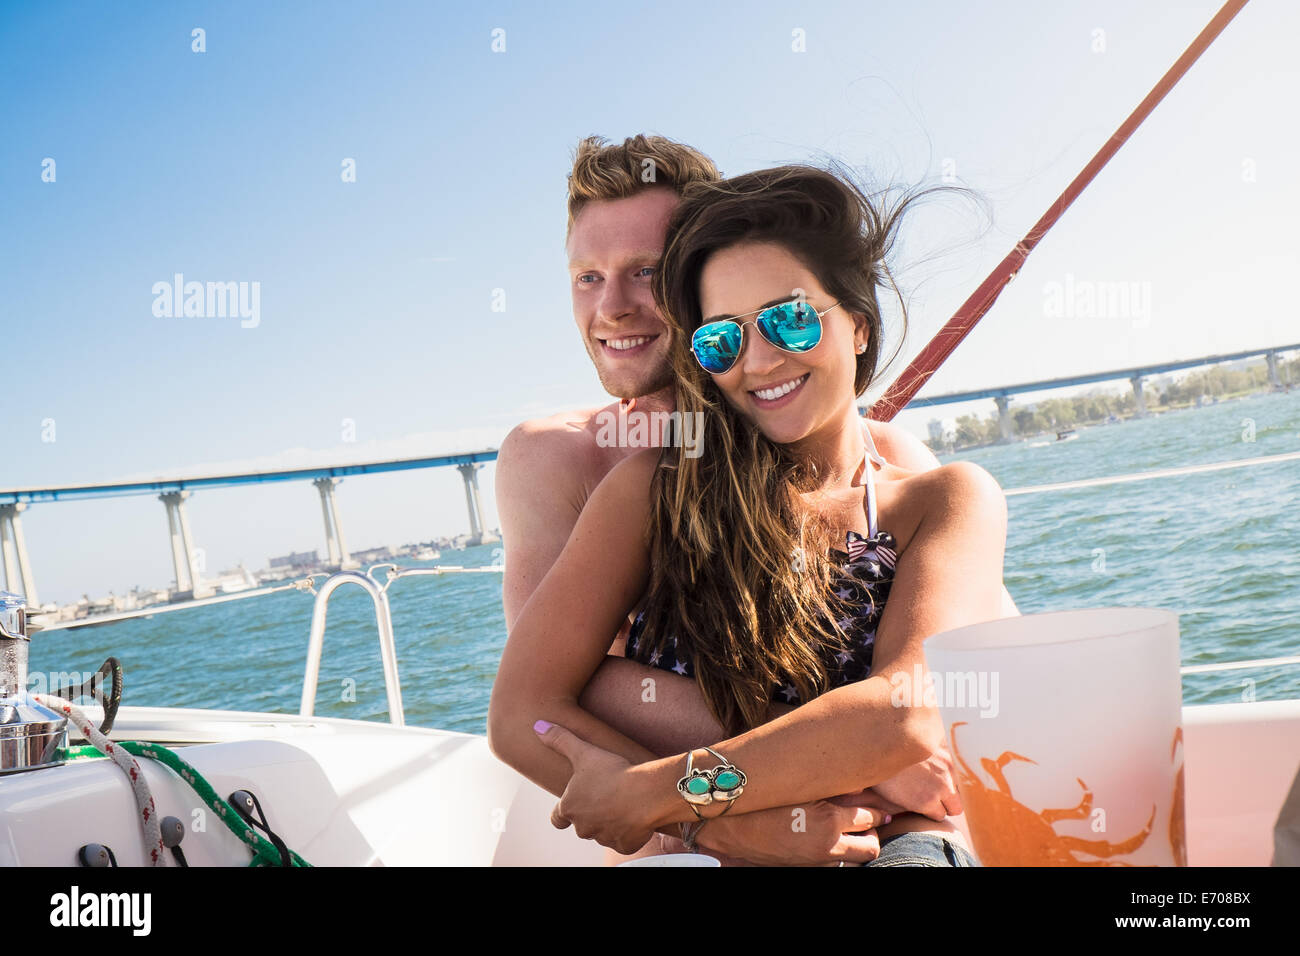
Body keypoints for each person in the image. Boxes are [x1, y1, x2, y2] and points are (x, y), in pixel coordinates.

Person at [489, 163, 1008, 866]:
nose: (760, 360)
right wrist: (722, 822)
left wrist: (663, 794)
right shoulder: (649, 492)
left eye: (792, 319)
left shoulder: (939, 495)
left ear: (858, 323)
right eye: (722, 340)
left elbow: (908, 711)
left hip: (894, 842)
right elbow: (528, 708)